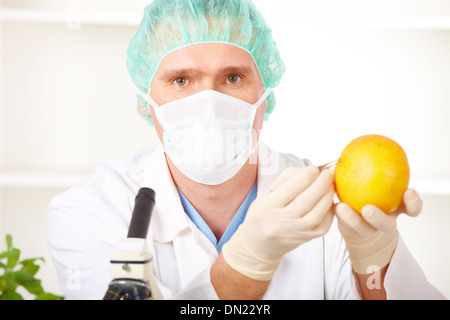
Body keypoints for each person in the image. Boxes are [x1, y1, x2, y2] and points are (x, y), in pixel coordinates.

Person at [47, 0, 445, 300]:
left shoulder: (332, 204)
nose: (208, 103)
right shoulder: (90, 211)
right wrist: (247, 260)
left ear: (264, 94)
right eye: (182, 80)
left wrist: (374, 262)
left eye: (232, 77)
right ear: (146, 100)